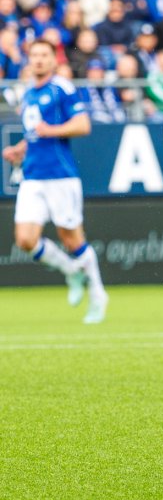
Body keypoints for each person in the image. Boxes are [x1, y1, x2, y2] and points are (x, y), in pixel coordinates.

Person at [1, 39, 108, 323]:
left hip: (60, 176)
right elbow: (34, 133)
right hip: (33, 175)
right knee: (25, 240)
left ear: (53, 59)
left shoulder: (62, 87)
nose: (38, 60)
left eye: (43, 55)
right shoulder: (28, 94)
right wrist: (20, 149)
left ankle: (98, 294)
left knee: (72, 238)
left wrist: (52, 130)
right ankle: (72, 271)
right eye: (34, 55)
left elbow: (83, 125)